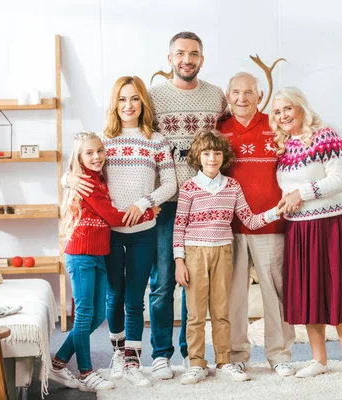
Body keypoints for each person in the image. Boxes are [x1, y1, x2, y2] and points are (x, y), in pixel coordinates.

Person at [63, 76, 177, 387]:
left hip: (144, 230)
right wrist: (67, 180)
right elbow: (77, 165)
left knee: (135, 298)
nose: (129, 105)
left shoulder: (156, 140)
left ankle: (132, 359)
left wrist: (145, 202)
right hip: (109, 232)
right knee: (114, 295)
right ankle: (116, 352)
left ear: (143, 103)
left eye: (135, 99)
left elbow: (170, 184)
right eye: (123, 99)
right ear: (115, 103)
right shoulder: (103, 139)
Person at [270, 87, 342, 382]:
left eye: (287, 108)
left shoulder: (326, 136)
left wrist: (301, 193)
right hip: (299, 226)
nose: (283, 116)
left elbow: (341, 180)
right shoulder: (284, 145)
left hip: (332, 223)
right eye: (277, 112)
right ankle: (319, 359)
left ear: (301, 107)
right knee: (309, 291)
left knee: (337, 288)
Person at [147, 31, 227, 378]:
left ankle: (189, 354)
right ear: (169, 59)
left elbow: (227, 142)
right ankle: (161, 353)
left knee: (191, 284)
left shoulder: (216, 97)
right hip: (166, 203)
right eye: (180, 54)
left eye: (193, 54)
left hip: (204, 205)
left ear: (202, 59)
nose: (187, 60)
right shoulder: (152, 97)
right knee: (165, 281)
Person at [173, 130, 281, 385]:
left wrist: (277, 211)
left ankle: (224, 361)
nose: (212, 158)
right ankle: (196, 363)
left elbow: (250, 220)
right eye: (207, 153)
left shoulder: (232, 186)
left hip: (224, 252)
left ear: (224, 157)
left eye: (217, 153)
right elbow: (179, 225)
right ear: (198, 156)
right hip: (194, 253)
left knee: (222, 311)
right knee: (196, 314)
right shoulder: (189, 188)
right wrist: (179, 260)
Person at [49, 131, 155, 392]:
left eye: (99, 151)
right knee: (85, 314)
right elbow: (114, 217)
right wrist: (150, 211)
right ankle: (85, 372)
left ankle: (58, 363)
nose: (96, 156)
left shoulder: (99, 179)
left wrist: (67, 177)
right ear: (79, 157)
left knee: (96, 315)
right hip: (82, 254)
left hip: (98, 254)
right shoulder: (86, 183)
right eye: (89, 152)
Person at [217, 72, 296, 376]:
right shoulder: (219, 127)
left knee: (275, 293)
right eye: (235, 92)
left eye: (248, 92)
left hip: (271, 224)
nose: (241, 98)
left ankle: (280, 354)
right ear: (228, 95)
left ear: (259, 96)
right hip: (230, 226)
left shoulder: (275, 125)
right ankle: (237, 354)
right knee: (234, 295)